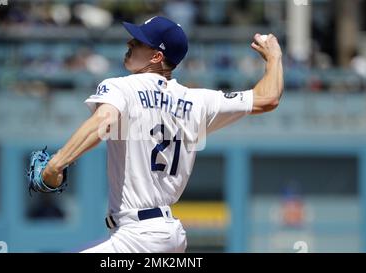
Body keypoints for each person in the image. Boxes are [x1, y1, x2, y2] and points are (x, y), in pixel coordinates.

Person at [41, 16, 283, 252]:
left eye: (137, 42)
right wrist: (274, 58)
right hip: (169, 234)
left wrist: (56, 164)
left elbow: (104, 120)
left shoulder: (122, 87)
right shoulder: (198, 100)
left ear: (157, 56)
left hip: (137, 236)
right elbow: (267, 98)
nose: (129, 44)